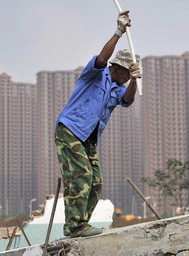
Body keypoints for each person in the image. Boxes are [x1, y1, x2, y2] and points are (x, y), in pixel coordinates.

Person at [54, 11, 141, 237]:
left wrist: (135, 80)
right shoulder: (95, 75)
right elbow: (102, 59)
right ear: (119, 69)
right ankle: (74, 227)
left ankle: (81, 224)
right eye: (126, 75)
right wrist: (118, 32)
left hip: (89, 139)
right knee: (80, 175)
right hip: (70, 130)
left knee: (96, 182)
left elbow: (128, 100)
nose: (126, 80)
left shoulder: (118, 88)